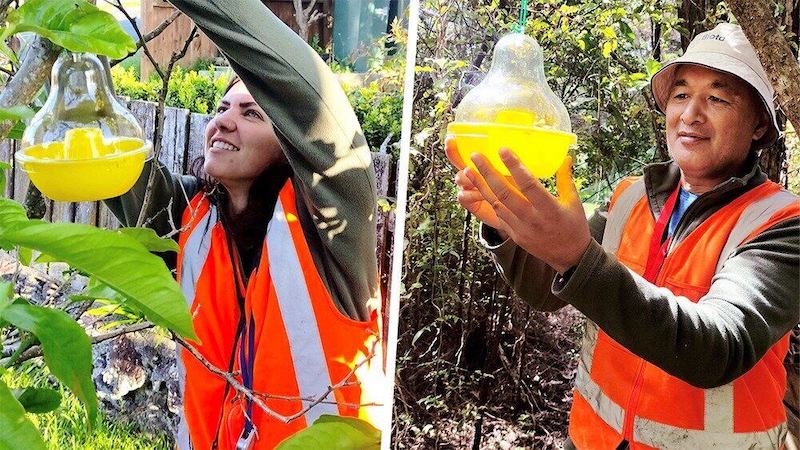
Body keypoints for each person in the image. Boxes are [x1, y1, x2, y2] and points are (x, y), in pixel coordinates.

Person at [447, 23, 799, 449]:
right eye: (681, 94)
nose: (690, 114)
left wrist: (578, 256)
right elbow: (546, 289)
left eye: (718, 98)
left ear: (760, 124)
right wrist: (507, 226)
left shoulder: (781, 222)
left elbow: (718, 347)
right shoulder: (630, 197)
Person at [104, 0, 386, 448]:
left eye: (251, 113)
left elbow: (306, 94)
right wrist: (69, 46)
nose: (223, 122)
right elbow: (100, 151)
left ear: (291, 144)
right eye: (221, 108)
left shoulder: (333, 229)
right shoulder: (193, 220)